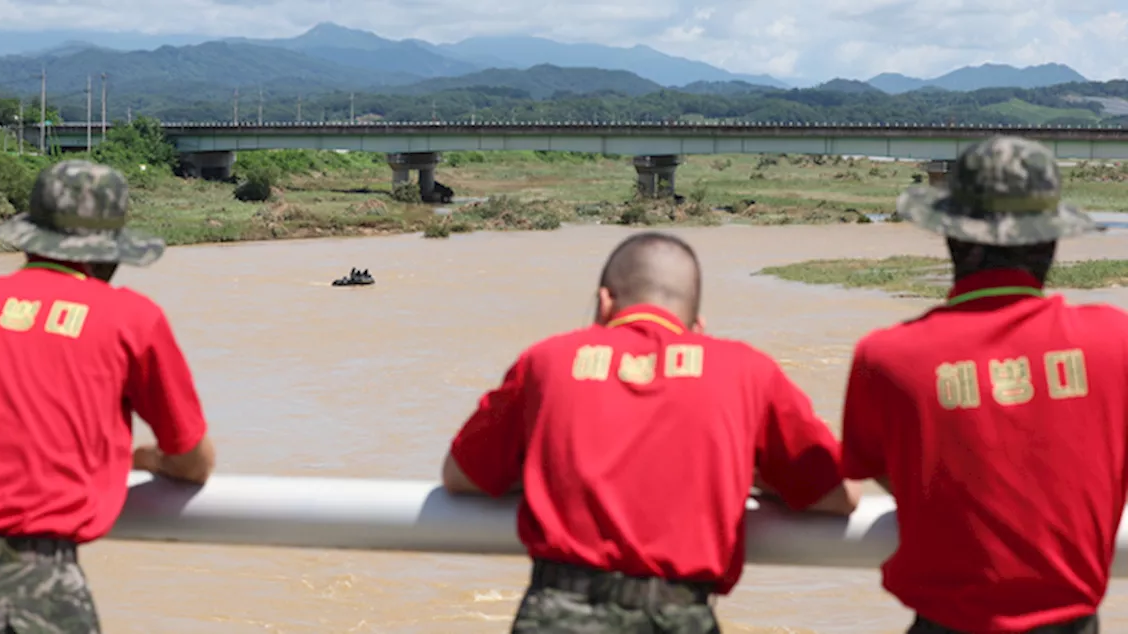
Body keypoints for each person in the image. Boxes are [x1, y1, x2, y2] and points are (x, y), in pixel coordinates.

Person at [441, 231, 860, 633]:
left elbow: (462, 475)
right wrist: (742, 473)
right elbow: (839, 494)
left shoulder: (545, 361)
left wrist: (547, 465)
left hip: (560, 611)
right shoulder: (749, 371)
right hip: (680, 614)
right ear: (697, 326)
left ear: (605, 303)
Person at [0, 160, 218, 633]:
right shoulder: (130, 319)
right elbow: (192, 459)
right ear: (110, 254)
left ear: (30, 237)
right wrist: (142, 459)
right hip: (36, 583)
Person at [840, 136, 1114, 634]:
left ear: (951, 236)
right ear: (1051, 239)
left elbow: (886, 475)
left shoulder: (886, 358)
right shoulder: (1114, 344)